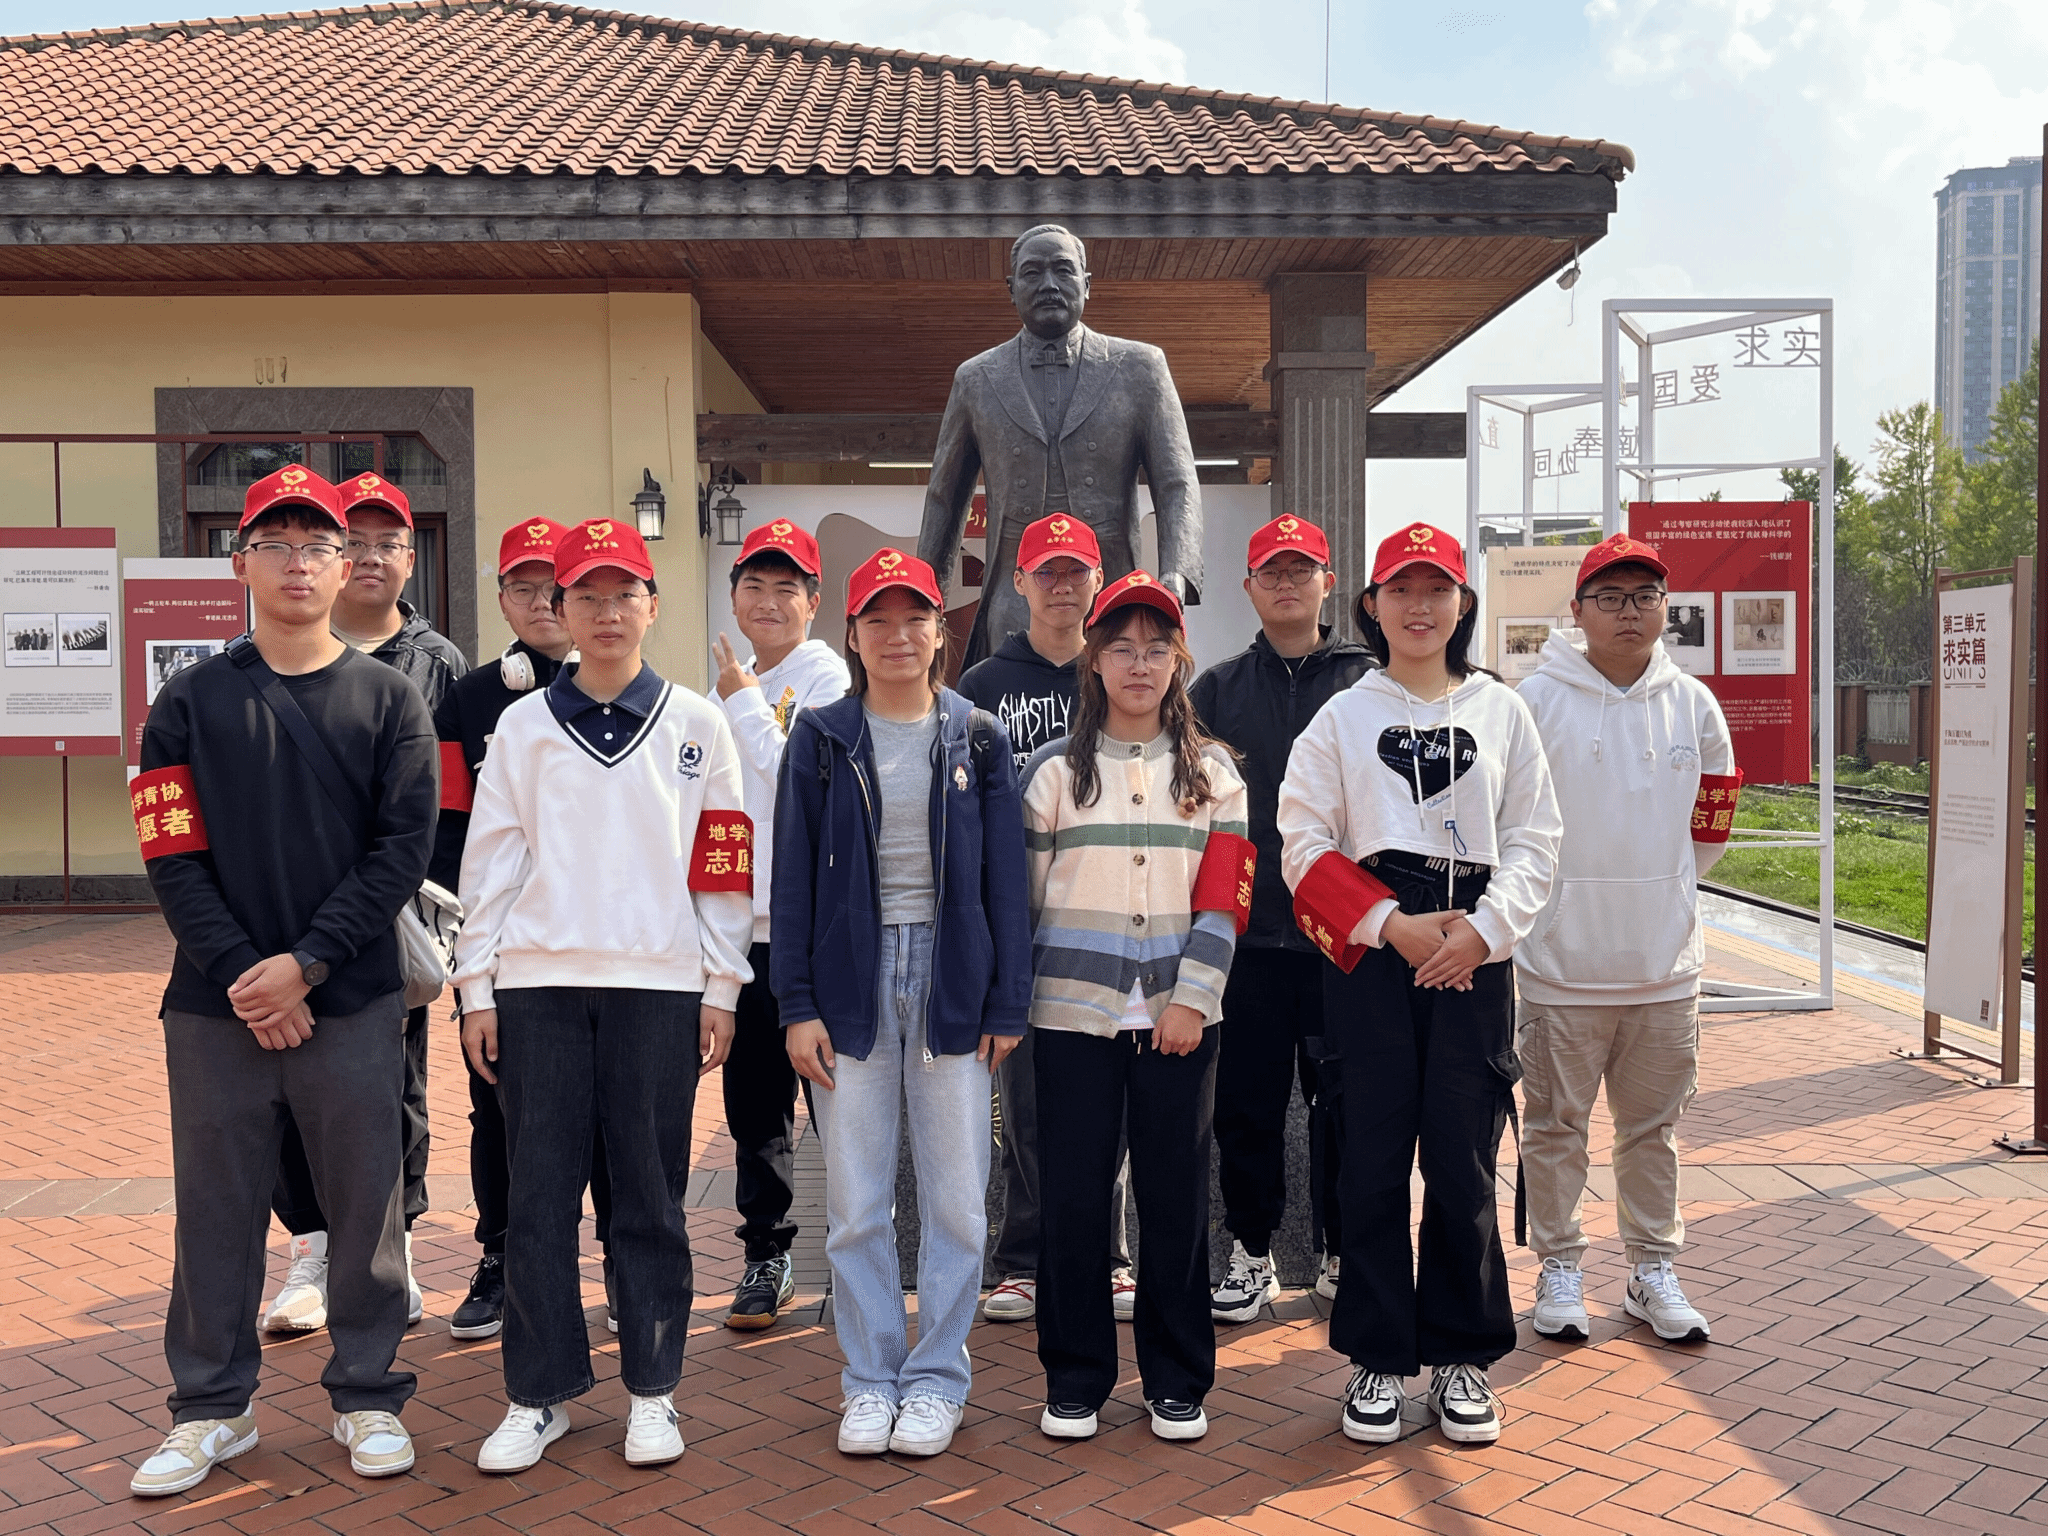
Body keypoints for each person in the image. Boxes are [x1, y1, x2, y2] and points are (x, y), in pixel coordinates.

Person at [128, 465, 436, 1496]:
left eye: (318, 546)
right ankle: (211, 1409)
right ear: (241, 564)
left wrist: (304, 965)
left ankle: (368, 1393)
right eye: (276, 544)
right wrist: (242, 975)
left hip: (349, 1000)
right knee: (214, 1210)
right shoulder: (188, 701)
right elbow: (170, 850)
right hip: (213, 1008)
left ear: (346, 567)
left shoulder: (389, 699)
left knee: (365, 1206)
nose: (298, 563)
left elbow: (399, 853)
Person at [453, 518, 752, 1473]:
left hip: (659, 989)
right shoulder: (523, 727)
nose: (608, 611)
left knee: (651, 1196)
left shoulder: (699, 723)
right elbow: (490, 863)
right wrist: (476, 987)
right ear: (562, 609)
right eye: (587, 595)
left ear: (653, 606)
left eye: (626, 594)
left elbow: (724, 863)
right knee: (538, 1197)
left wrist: (722, 984)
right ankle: (536, 1394)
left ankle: (654, 1392)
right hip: (537, 988)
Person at [1278, 522, 1560, 1447]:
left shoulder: (1502, 710)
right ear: (1370, 604)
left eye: (1437, 589)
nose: (1419, 606)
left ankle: (1461, 1354)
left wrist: (1483, 931)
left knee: (1463, 1154)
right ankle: (1375, 1353)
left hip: (1474, 951)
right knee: (1368, 1155)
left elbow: (1536, 838)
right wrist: (1389, 925)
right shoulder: (1342, 716)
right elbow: (1302, 842)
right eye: (1400, 589)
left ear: (1462, 603)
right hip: (1374, 952)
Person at [771, 548, 1032, 1458]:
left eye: (914, 617)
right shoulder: (822, 736)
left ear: (939, 631)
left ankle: (936, 1379)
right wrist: (795, 1003)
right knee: (856, 1202)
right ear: (851, 634)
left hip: (953, 975)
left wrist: (1008, 1003)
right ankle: (871, 1377)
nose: (897, 636)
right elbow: (792, 878)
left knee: (958, 1201)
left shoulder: (977, 735)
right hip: (852, 979)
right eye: (876, 620)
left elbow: (1007, 882)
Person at [1023, 571, 1249, 1444]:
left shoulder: (1214, 774)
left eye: (1157, 649)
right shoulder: (1054, 773)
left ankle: (1177, 1377)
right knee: (1074, 1202)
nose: (1139, 664)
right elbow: (1026, 902)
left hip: (1179, 1023)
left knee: (1175, 1198)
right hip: (1071, 1020)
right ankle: (1075, 1376)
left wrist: (1192, 999)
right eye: (1121, 647)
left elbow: (1223, 903)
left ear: (1179, 660)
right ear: (1094, 659)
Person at [1514, 534, 1737, 1346]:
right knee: (1554, 1128)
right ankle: (1560, 1266)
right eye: (1609, 597)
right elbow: (1511, 824)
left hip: (1663, 967)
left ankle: (1651, 1269)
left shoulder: (1695, 705)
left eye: (1645, 595)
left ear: (1666, 608)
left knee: (1653, 1131)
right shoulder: (1535, 703)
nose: (1629, 611)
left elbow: (1711, 827)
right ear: (1577, 611)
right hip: (1559, 966)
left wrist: (1663, 888)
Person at [261, 472, 469, 1337]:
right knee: (284, 1085)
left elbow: (446, 810)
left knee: (397, 1086)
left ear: (409, 558)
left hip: (392, 916)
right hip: (284, 915)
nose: (373, 556)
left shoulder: (440, 663)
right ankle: (311, 1249)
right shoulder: (264, 656)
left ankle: (395, 1250)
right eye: (358, 541)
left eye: (390, 542)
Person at [1189, 515, 1373, 1321]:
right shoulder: (1216, 691)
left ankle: (1340, 1250)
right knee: (1247, 1105)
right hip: (1252, 938)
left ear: (1329, 582)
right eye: (1273, 571)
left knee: (1347, 1101)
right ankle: (1251, 1249)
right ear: (1249, 587)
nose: (1288, 583)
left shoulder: (1369, 683)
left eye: (1303, 569)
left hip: (1350, 936)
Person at [958, 513, 1135, 1325]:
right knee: (1025, 1105)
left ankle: (1109, 1256)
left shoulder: (1121, 673)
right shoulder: (983, 685)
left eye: (1076, 572)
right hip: (1019, 926)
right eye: (1048, 572)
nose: (1063, 586)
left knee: (1111, 1105)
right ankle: (1023, 1259)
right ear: (1019, 582)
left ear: (1098, 582)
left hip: (1111, 921)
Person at [427, 516, 575, 1341]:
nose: (543, 602)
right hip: (502, 946)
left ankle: (611, 1261)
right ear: (503, 600)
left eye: (557, 587)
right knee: (498, 1108)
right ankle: (501, 1253)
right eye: (525, 588)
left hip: (598, 943)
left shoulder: (629, 689)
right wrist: (464, 944)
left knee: (603, 1112)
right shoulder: (471, 698)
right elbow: (449, 828)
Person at [708, 518, 850, 1331]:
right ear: (733, 596)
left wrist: (741, 700)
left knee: (838, 1105)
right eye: (754, 586)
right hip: (743, 934)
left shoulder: (825, 677)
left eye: (785, 587)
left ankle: (858, 1254)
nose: (767, 601)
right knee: (755, 1110)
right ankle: (767, 1254)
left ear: (813, 601)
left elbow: (802, 776)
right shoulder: (725, 687)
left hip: (815, 934)